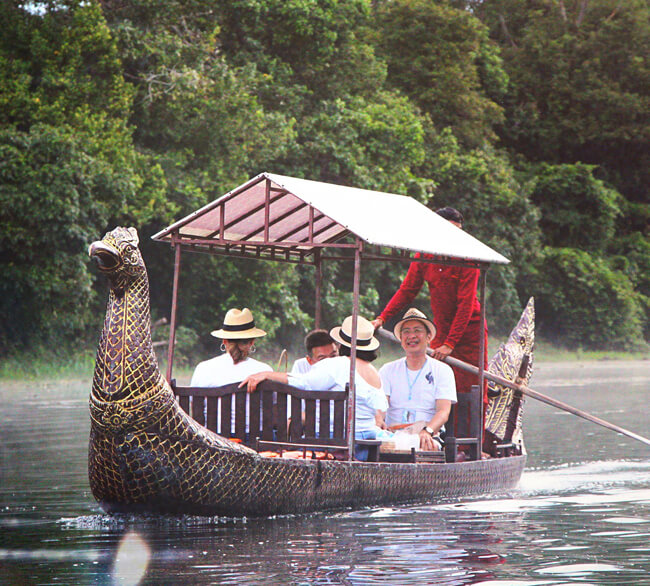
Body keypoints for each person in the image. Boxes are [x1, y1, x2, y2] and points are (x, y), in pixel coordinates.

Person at [371, 207, 488, 416]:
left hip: (470, 330)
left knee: (473, 386)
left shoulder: (468, 258)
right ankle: (441, 436)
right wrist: (382, 318)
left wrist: (450, 343)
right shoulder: (424, 256)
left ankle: (473, 443)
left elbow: (466, 305)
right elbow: (407, 291)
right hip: (442, 329)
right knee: (436, 382)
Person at [240, 316, 390, 460]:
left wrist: (267, 374)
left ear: (341, 344)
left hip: (333, 442)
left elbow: (304, 384)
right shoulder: (373, 371)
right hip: (365, 442)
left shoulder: (339, 364)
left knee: (288, 452)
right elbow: (381, 408)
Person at [378, 308, 456, 451]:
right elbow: (380, 406)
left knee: (422, 445)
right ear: (401, 339)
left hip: (428, 434)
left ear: (428, 336)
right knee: (374, 445)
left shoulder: (442, 370)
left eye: (417, 330)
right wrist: (378, 421)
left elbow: (443, 412)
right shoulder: (387, 369)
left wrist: (428, 431)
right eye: (406, 332)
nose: (411, 336)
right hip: (392, 434)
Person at [191, 307, 272, 436]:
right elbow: (273, 410)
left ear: (224, 341)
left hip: (213, 440)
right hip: (253, 441)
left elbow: (194, 407)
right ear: (252, 342)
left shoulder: (203, 368)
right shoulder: (264, 370)